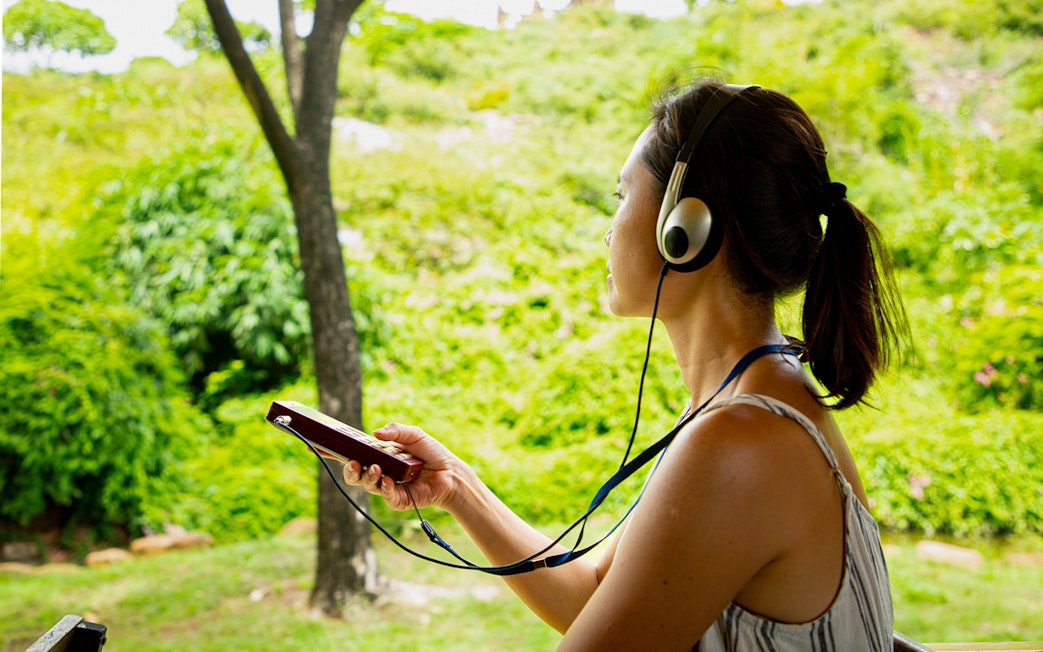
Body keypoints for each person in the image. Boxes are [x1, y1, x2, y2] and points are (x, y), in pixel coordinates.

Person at [342, 78, 907, 651]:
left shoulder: (744, 441)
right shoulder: (750, 401)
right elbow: (596, 598)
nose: (610, 229)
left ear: (685, 228)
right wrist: (456, 487)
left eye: (621, 196)